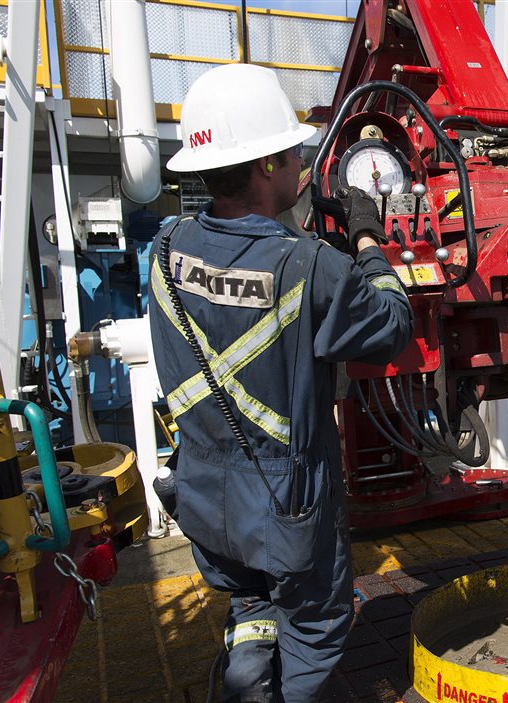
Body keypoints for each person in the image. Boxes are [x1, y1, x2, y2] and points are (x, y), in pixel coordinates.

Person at [150, 63, 412, 701]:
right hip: (287, 502)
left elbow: (239, 283)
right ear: (266, 167)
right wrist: (368, 239)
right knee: (315, 626)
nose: (300, 160)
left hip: (205, 492)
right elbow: (393, 324)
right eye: (292, 151)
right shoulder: (310, 265)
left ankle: (244, 687)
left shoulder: (164, 246)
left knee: (250, 608)